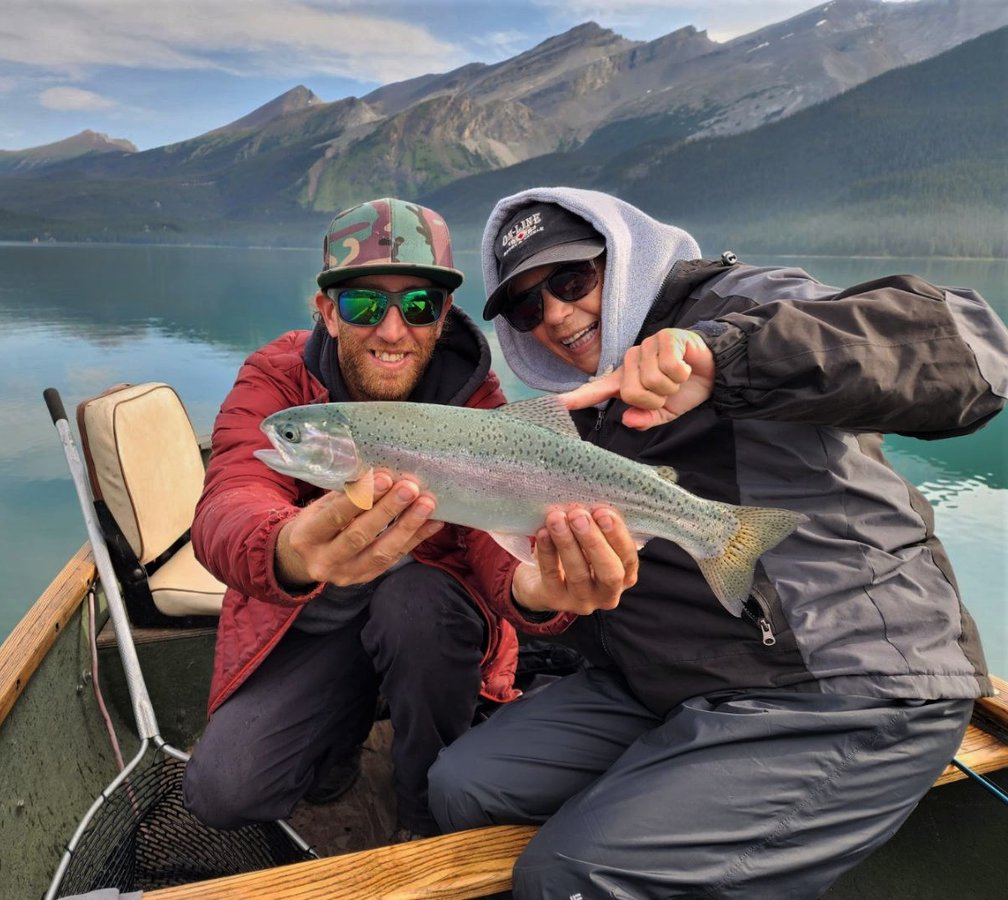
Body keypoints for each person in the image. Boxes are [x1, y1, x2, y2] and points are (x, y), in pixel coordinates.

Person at [427, 187, 1008, 898]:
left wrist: (725, 357)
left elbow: (975, 352)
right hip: (669, 680)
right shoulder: (578, 413)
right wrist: (545, 596)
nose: (553, 314)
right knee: (465, 786)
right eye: (525, 308)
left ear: (624, 256)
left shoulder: (747, 305)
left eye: (572, 280)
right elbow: (594, 588)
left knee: (570, 878)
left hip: (845, 680)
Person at [182, 197, 632, 840]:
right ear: (327, 312)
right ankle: (338, 743)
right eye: (364, 305)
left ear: (443, 315)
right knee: (224, 792)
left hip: (428, 630)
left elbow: (491, 540)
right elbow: (231, 495)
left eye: (419, 305)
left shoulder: (477, 403)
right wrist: (286, 547)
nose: (392, 330)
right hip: (313, 625)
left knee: (416, 605)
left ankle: (422, 811)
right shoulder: (278, 381)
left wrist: (530, 589)